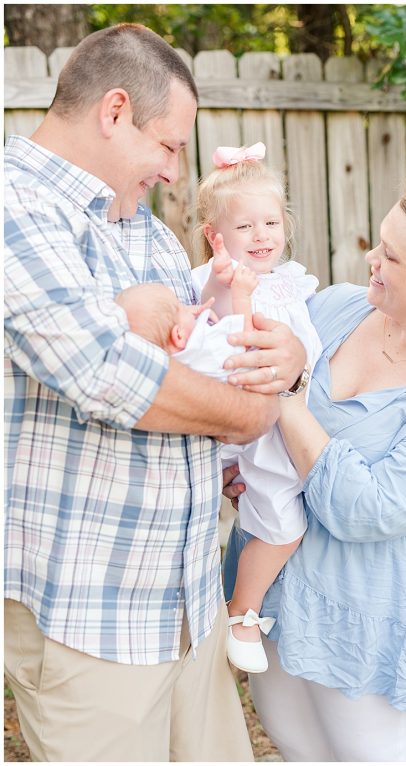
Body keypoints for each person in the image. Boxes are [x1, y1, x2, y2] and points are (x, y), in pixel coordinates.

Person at [4, 23, 306, 762]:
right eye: (169, 145)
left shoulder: (145, 233)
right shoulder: (18, 207)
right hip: (88, 615)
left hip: (187, 602)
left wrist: (284, 362)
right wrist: (260, 410)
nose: (175, 171)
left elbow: (209, 361)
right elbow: (105, 373)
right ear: (113, 112)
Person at [221, 179, 406, 761]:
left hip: (366, 619)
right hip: (273, 594)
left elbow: (366, 509)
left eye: (391, 254)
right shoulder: (333, 309)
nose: (370, 260)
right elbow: (255, 410)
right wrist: (242, 466)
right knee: (296, 747)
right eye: (379, 242)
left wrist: (290, 393)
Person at [191, 143, 323, 674]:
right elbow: (236, 344)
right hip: (254, 420)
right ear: (214, 237)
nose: (262, 235)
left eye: (271, 222)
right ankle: (242, 611)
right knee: (283, 527)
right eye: (245, 228)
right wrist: (237, 291)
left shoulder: (285, 280)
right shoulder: (221, 281)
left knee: (272, 515)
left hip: (282, 418)